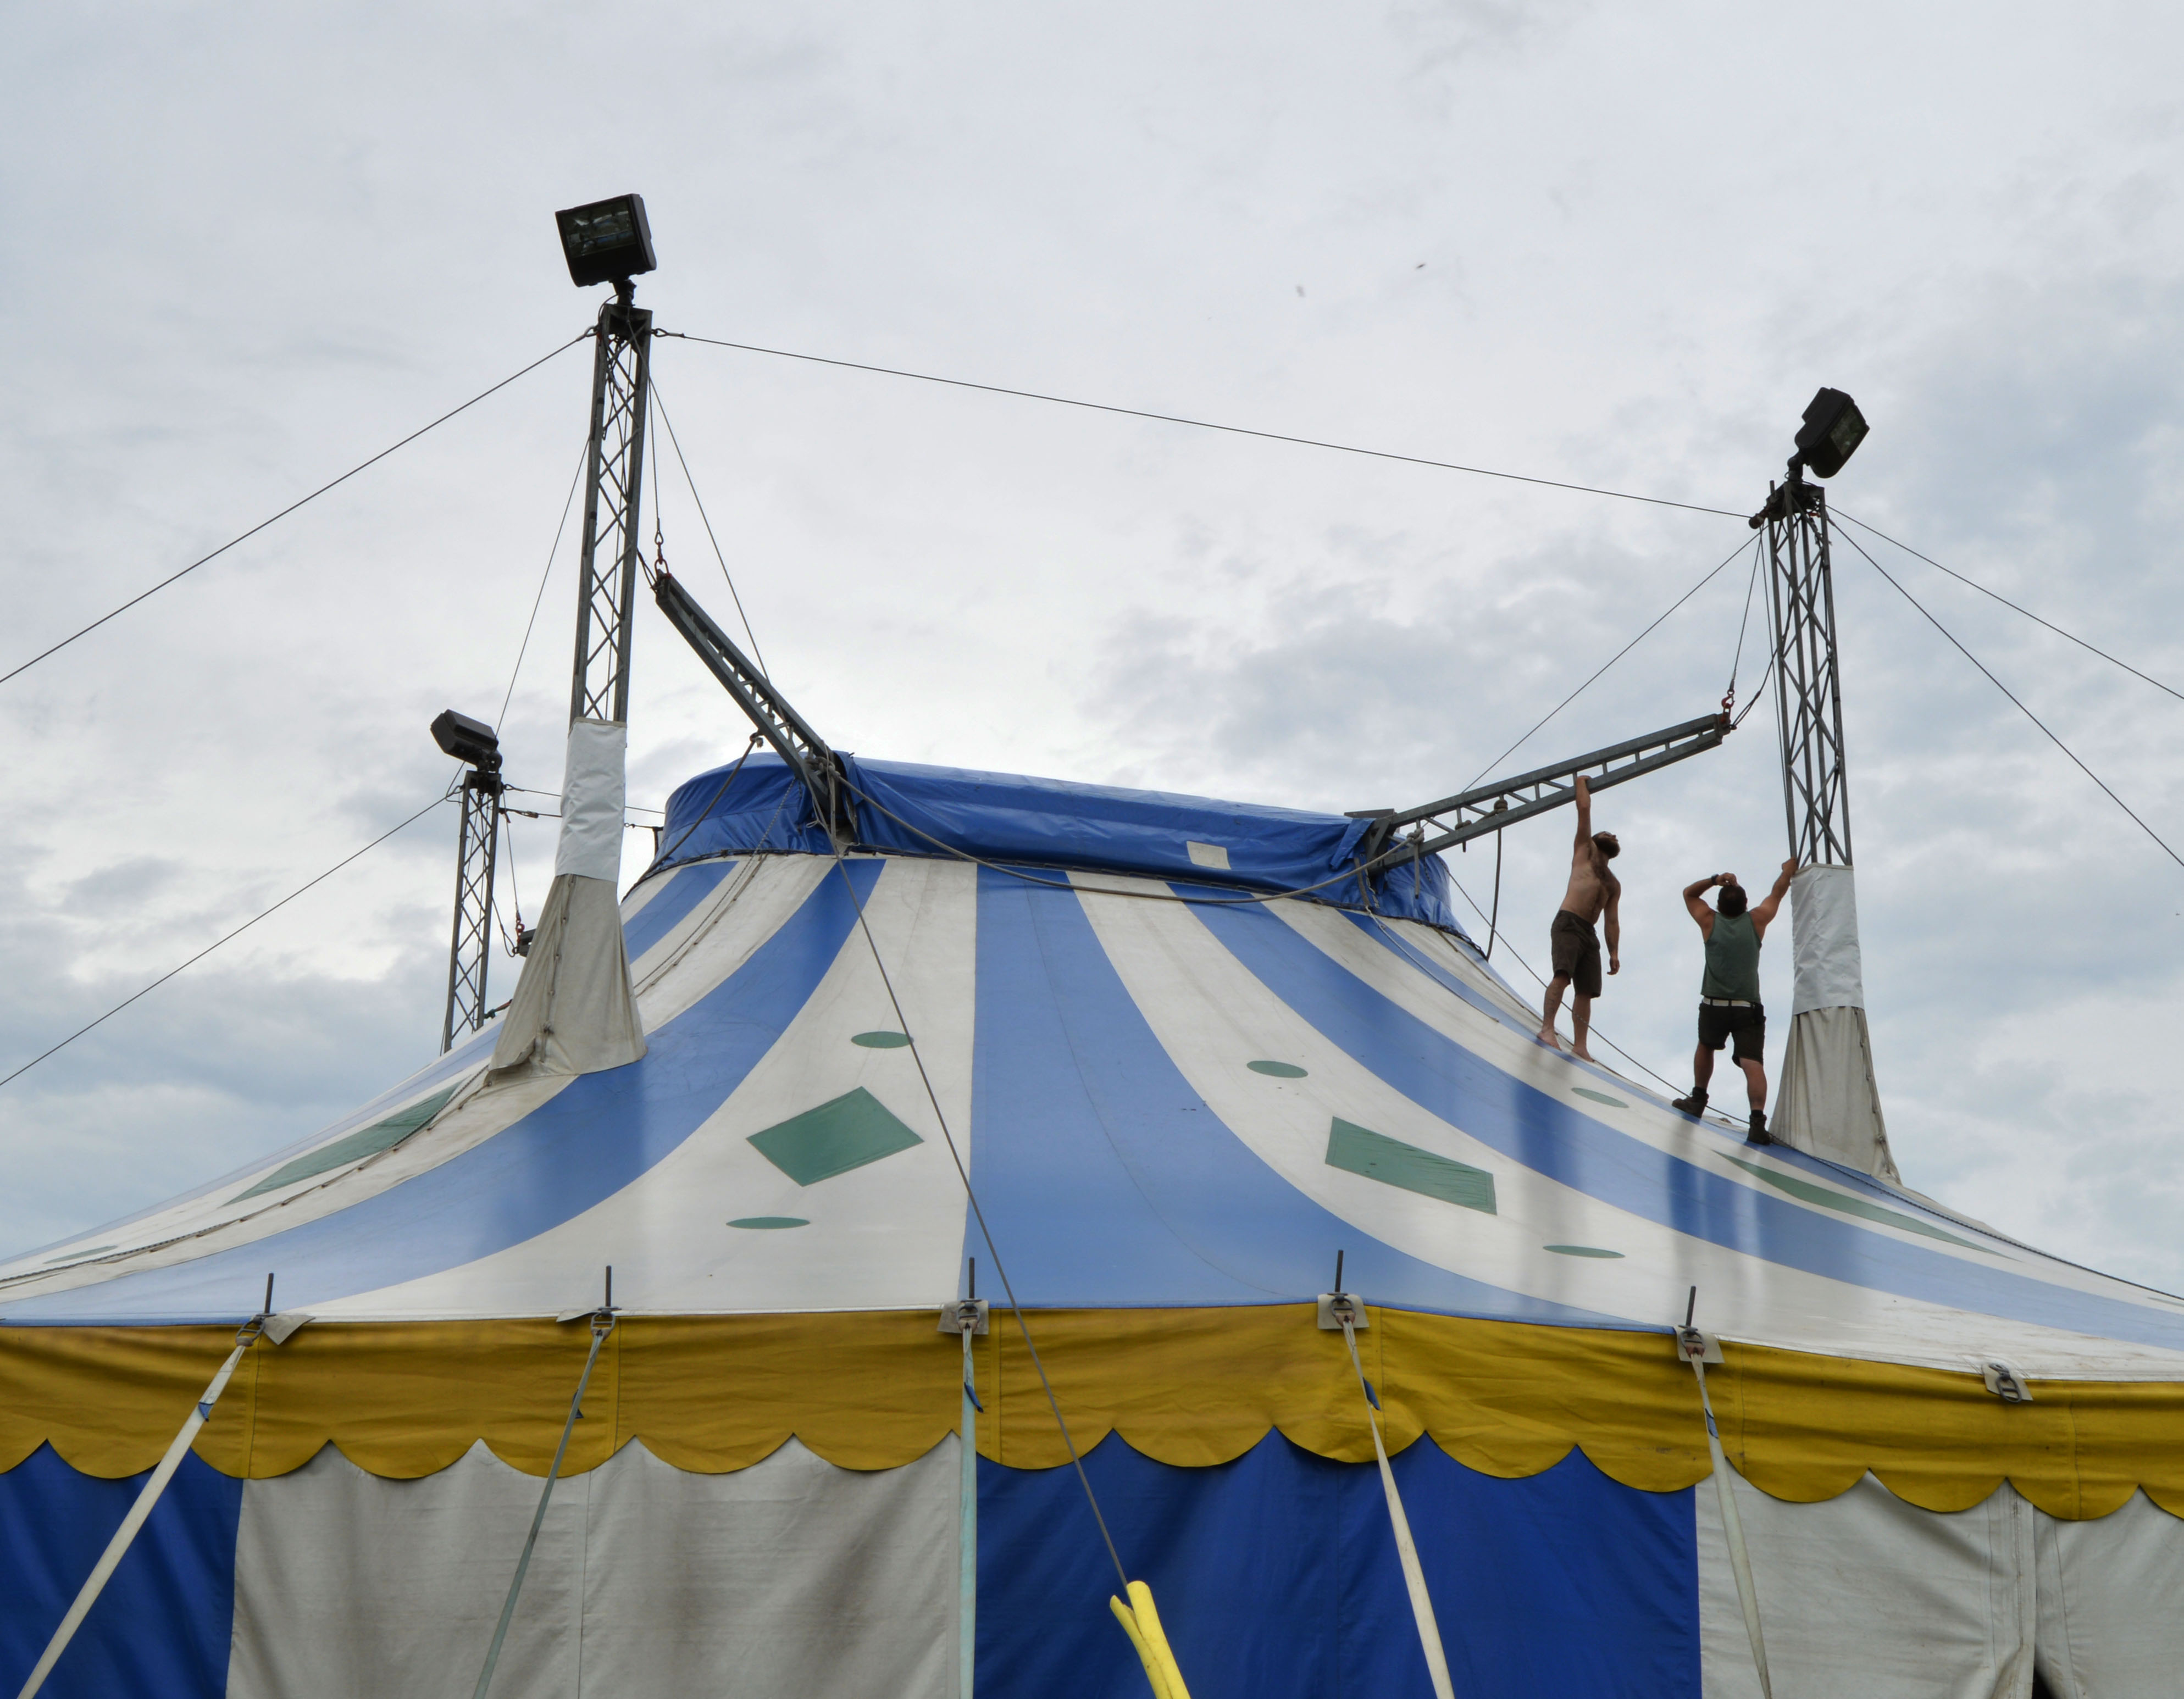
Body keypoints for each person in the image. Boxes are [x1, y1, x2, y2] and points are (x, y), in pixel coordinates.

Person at [1671, 860, 1796, 1143]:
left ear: (1717, 904)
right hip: (1747, 1007)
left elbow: (1689, 894)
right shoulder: (1756, 921)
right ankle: (1756, 1124)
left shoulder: (1709, 921)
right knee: (1752, 1062)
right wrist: (1788, 871)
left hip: (1713, 1004)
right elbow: (1777, 893)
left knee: (1706, 1046)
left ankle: (1698, 1100)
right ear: (1746, 903)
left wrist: (1716, 879)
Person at [1537, 773, 1619, 1061]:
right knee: (1562, 975)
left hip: (1590, 933)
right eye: (1607, 833)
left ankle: (1580, 1045)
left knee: (1587, 991)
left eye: (1615, 835)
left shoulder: (1613, 883)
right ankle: (1548, 1029)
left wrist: (1614, 952)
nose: (1613, 835)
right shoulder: (1585, 851)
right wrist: (1581, 782)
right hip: (1569, 922)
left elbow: (1611, 920)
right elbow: (1584, 810)